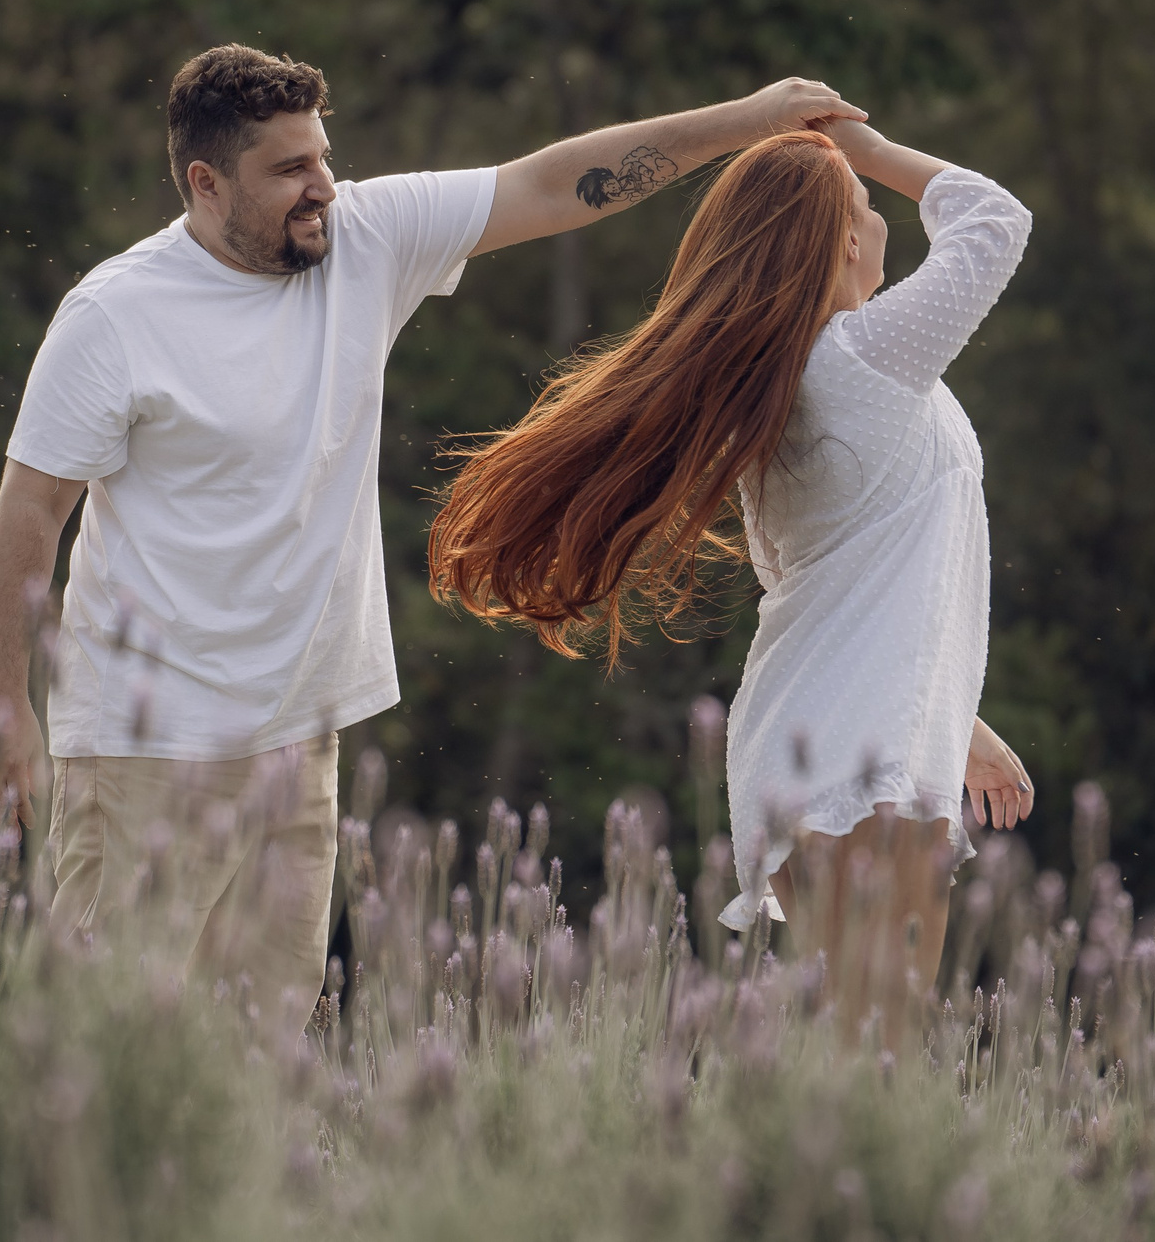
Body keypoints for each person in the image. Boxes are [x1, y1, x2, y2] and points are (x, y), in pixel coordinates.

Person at [0, 43, 862, 1028]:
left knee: (261, 1044)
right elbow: (30, 512)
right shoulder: (114, 315)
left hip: (293, 744)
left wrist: (746, 119)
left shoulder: (365, 239)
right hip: (146, 747)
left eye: (322, 157)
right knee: (105, 1043)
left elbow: (552, 185)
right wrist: (2, 702)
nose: (321, 188)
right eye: (288, 171)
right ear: (204, 182)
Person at [426, 117, 1036, 1040]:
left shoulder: (789, 387)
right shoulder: (862, 357)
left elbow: (828, 581)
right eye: (868, 211)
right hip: (856, 754)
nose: (884, 223)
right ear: (837, 240)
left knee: (864, 1044)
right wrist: (856, 150)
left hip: (827, 740)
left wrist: (966, 728)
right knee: (878, 1055)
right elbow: (992, 219)